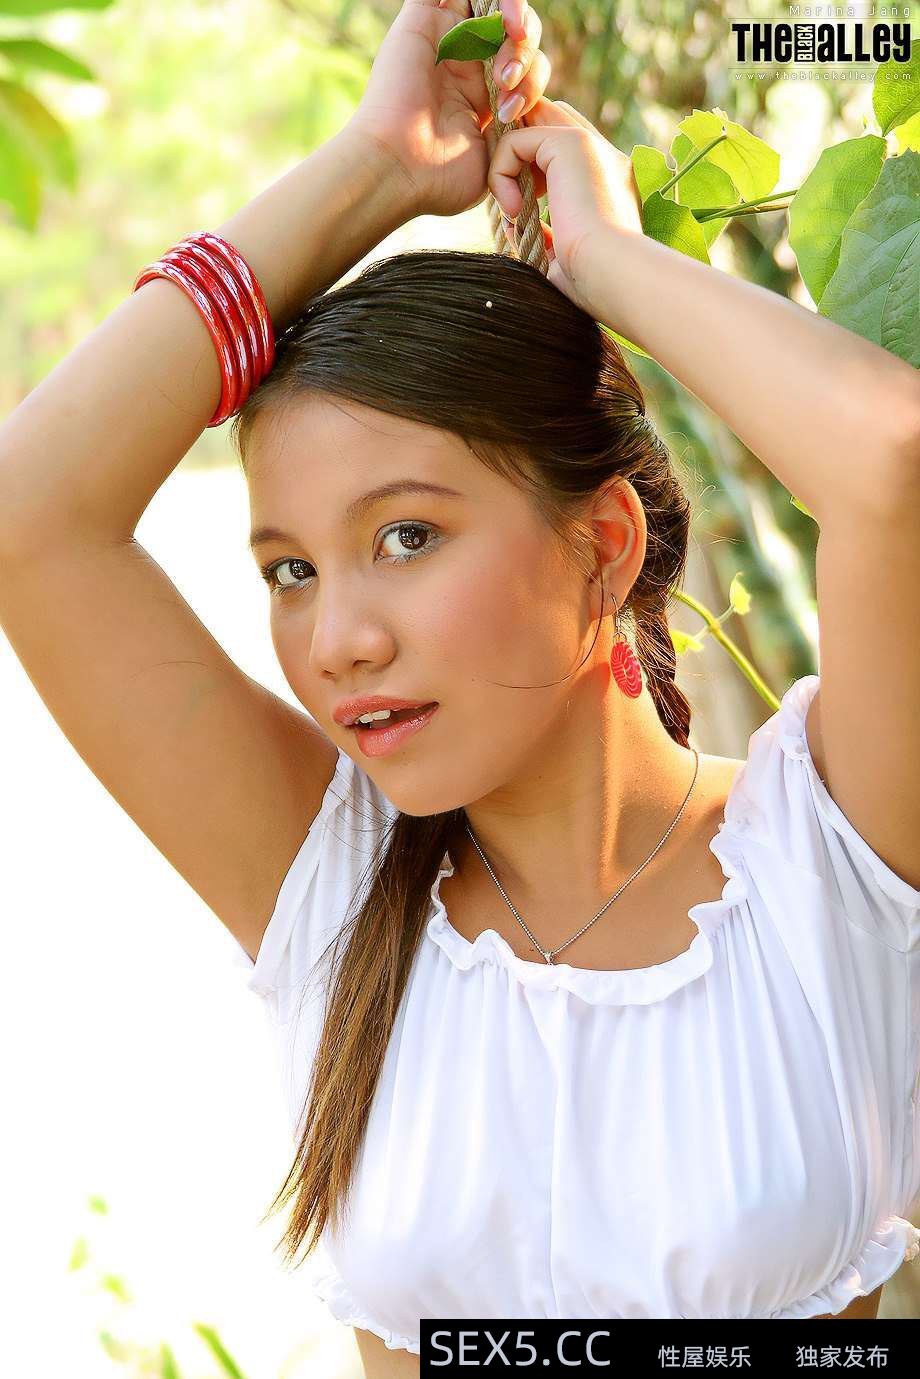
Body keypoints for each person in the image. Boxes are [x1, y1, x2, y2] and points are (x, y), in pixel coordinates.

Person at [0, 0, 918, 1373]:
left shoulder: (831, 856)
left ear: (602, 546)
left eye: (406, 538)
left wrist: (603, 261)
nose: (337, 640)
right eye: (290, 570)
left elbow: (892, 461)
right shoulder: (330, 888)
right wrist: (373, 172)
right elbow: (30, 513)